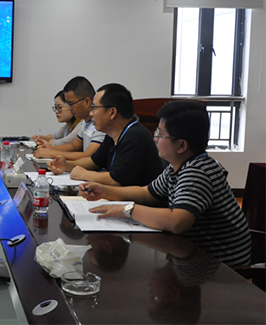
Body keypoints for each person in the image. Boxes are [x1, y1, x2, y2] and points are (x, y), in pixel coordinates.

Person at [79, 100, 251, 266]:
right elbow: (146, 193)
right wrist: (105, 191)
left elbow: (177, 222)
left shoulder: (197, 172)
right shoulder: (179, 166)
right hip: (196, 258)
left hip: (221, 268)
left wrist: (128, 210)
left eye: (160, 134)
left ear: (181, 145)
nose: (155, 139)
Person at [48, 83, 163, 186]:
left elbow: (116, 179)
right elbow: (94, 162)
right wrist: (67, 165)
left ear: (112, 112)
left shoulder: (135, 136)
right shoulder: (112, 134)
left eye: (94, 108)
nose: (91, 113)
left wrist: (83, 174)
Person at [34, 76, 105, 160]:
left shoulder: (100, 124)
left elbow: (89, 156)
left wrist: (51, 153)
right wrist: (50, 148)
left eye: (71, 104)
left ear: (87, 102)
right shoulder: (85, 122)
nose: (69, 108)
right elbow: (74, 145)